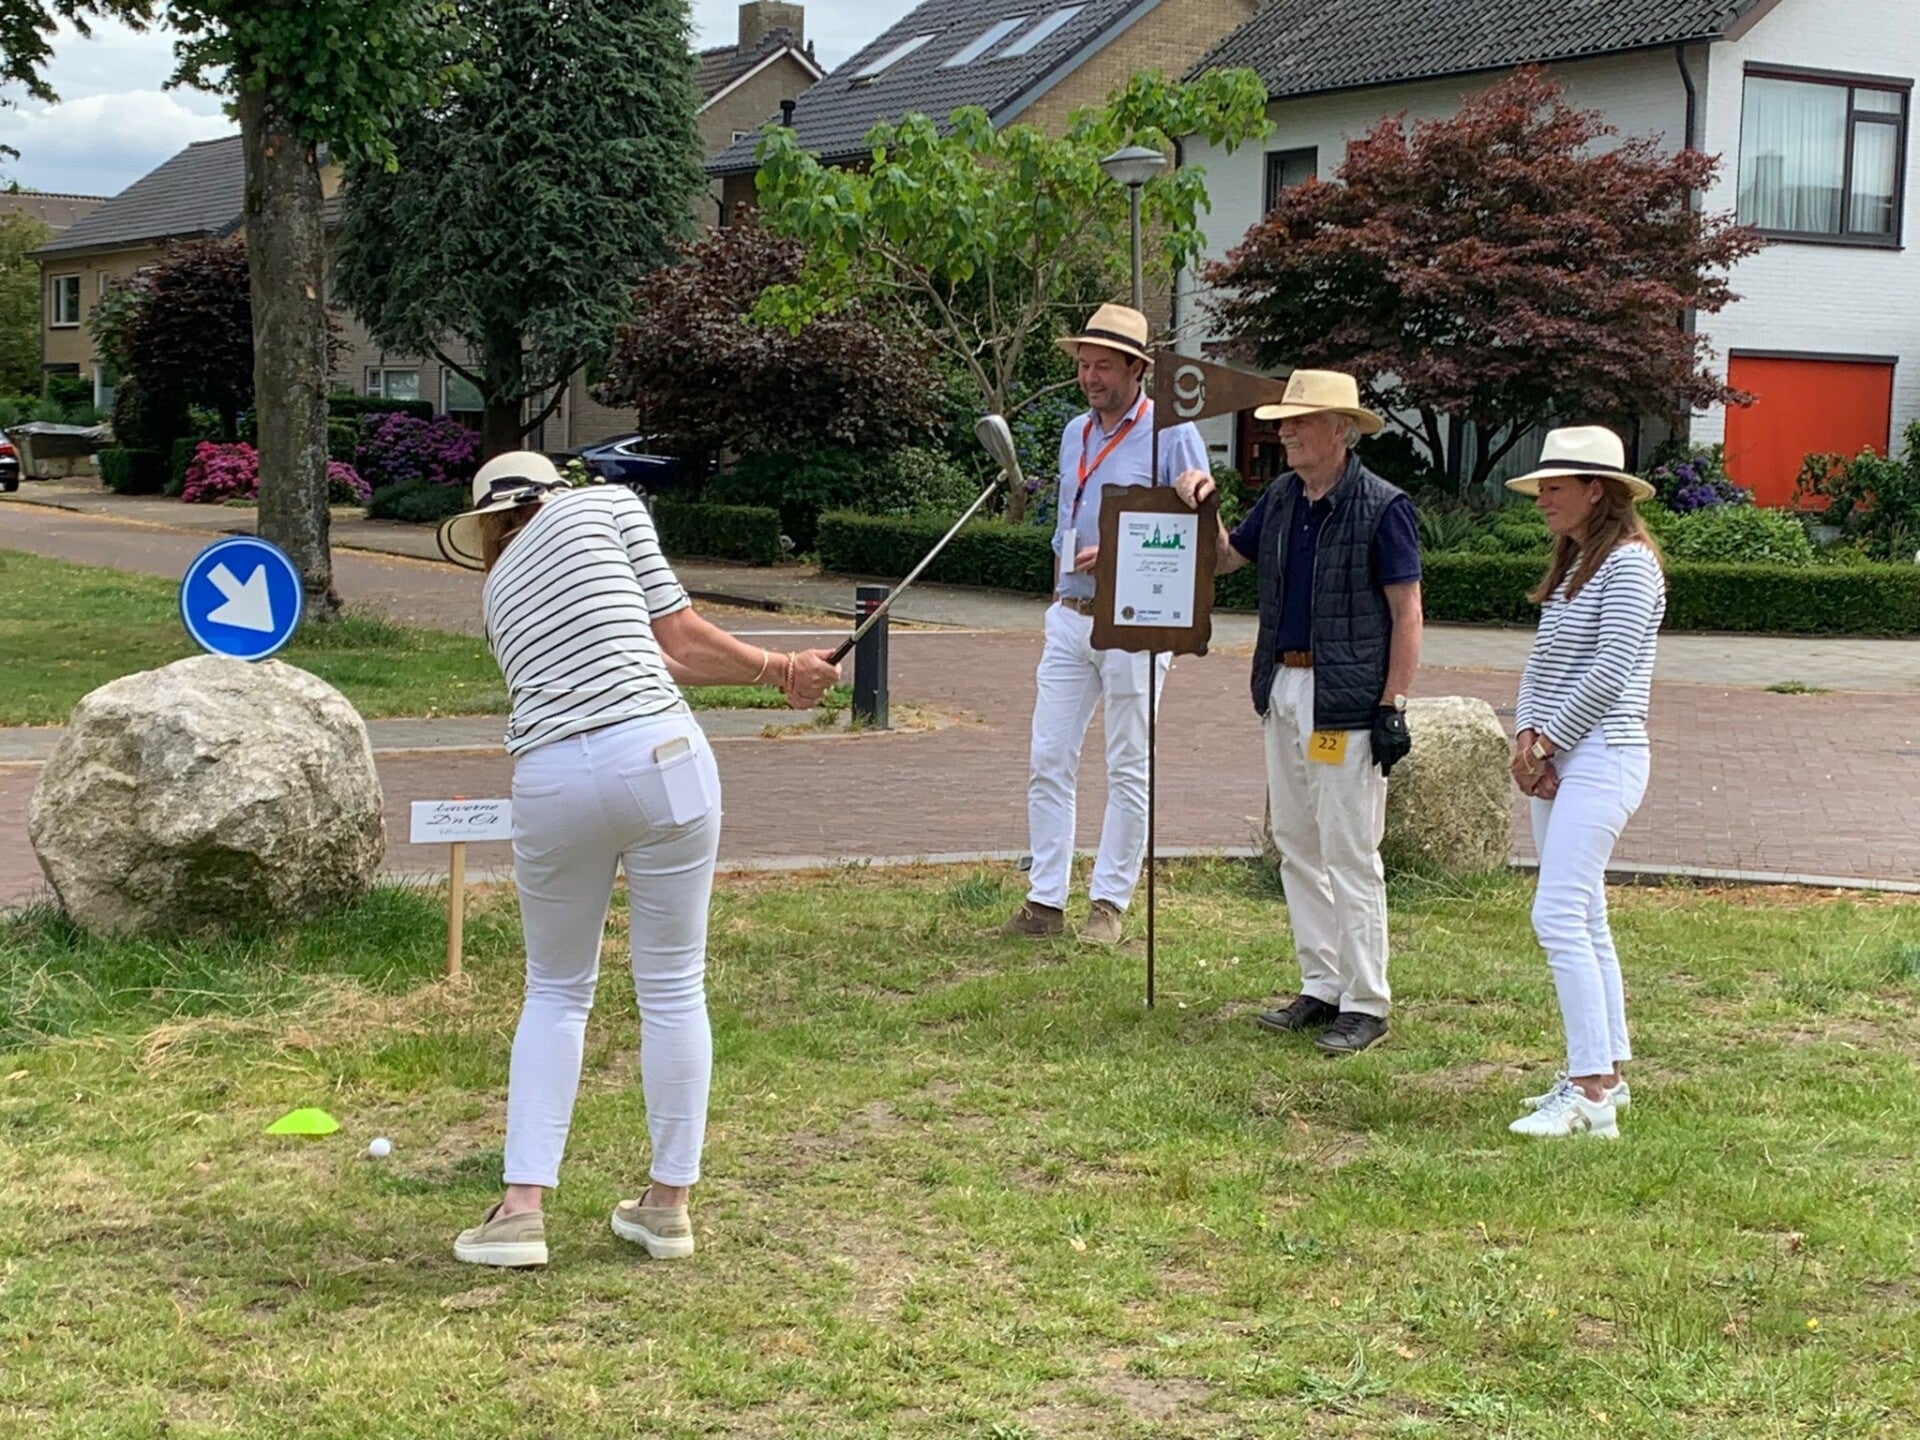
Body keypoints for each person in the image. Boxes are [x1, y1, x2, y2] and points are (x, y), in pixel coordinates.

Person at [436, 453, 840, 1267]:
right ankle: (667, 1205)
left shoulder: (497, 590)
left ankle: (519, 1212)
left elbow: (656, 655)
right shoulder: (609, 505)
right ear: (553, 490)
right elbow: (676, 640)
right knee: (673, 984)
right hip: (663, 756)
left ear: (488, 527)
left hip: (552, 775)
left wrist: (774, 676)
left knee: (556, 991)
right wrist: (782, 671)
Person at [1174, 371, 1422, 1056]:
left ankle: (1366, 1001)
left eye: (1298, 421)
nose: (1284, 431)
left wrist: (1392, 704)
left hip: (1344, 702)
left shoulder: (1384, 507)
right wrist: (1206, 509)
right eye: (1283, 420)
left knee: (1349, 850)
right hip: (1284, 687)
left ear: (1339, 431)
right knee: (1297, 843)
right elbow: (1227, 559)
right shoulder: (1284, 496)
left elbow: (1407, 613)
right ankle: (1323, 984)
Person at [1000, 303, 1209, 946]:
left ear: (1136, 370)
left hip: (1136, 625)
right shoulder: (1074, 434)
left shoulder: (1171, 433)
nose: (1089, 377)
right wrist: (1060, 587)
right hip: (1070, 615)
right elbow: (1070, 520)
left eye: (1102, 367)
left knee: (1127, 765)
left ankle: (1109, 904)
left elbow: (1196, 533)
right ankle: (1044, 901)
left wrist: (1190, 498)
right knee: (1048, 756)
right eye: (1083, 365)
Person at [1503, 427, 1666, 1140]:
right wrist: (1527, 738)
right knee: (1585, 914)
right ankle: (1607, 1075)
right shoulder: (1576, 565)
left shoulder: (1630, 565)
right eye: (1541, 487)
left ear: (1596, 491)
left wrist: (1546, 742)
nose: (1543, 498)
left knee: (1559, 915)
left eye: (1555, 487)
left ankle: (1589, 1090)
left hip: (1605, 754)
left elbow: (1610, 671)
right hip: (1566, 755)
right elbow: (1543, 666)